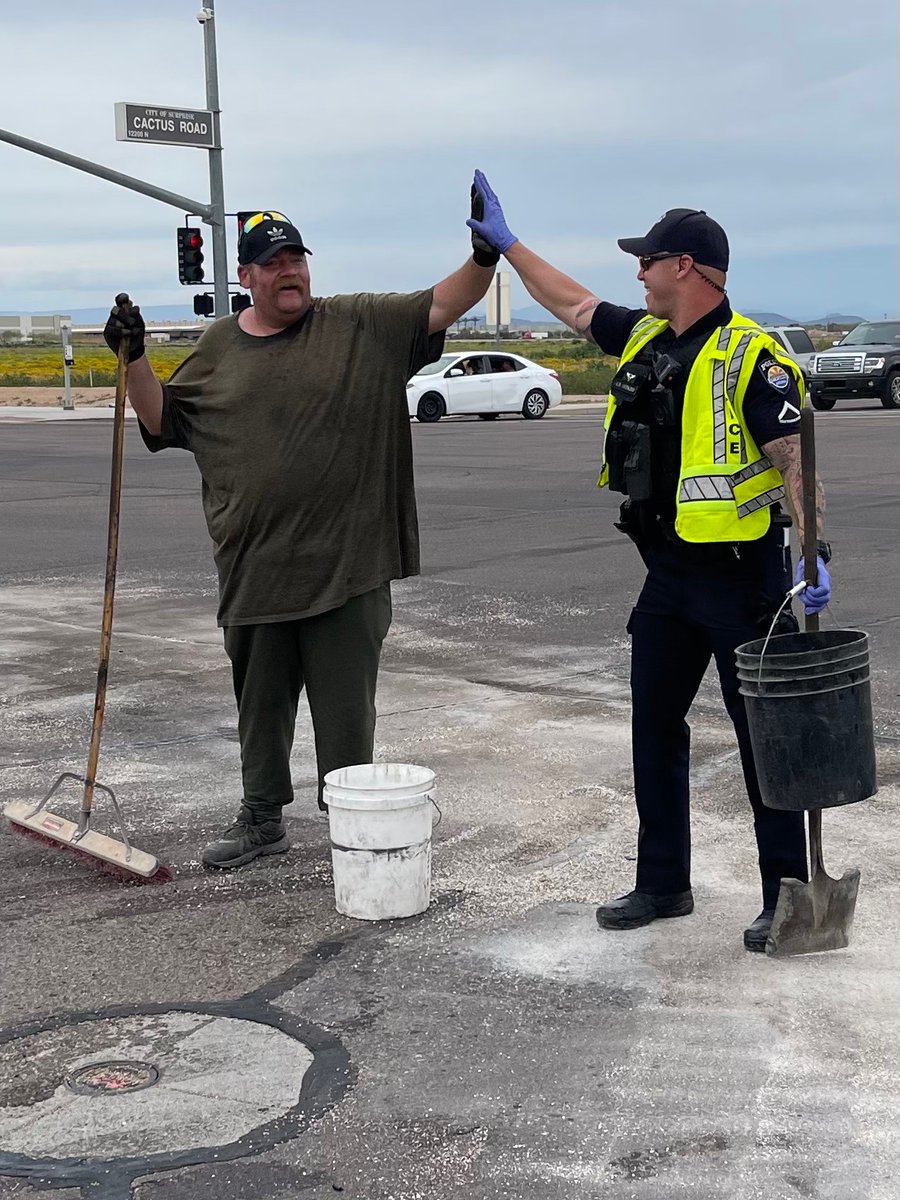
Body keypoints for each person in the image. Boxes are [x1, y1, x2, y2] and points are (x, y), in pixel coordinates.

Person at [467, 170, 833, 952]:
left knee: (765, 740)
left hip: (743, 579)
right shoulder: (643, 338)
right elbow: (571, 302)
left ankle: (786, 897)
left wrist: (812, 551)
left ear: (688, 269)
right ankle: (664, 883)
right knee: (653, 729)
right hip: (668, 577)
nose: (637, 271)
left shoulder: (750, 356)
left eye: (649, 259)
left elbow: (795, 457)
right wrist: (509, 243)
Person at [104, 198, 499, 870]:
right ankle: (261, 820)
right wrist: (133, 357)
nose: (290, 272)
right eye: (273, 263)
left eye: (296, 259)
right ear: (247, 277)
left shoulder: (359, 325)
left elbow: (442, 304)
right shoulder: (218, 347)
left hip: (348, 568)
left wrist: (485, 255)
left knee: (348, 717)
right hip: (253, 568)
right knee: (260, 711)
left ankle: (353, 825)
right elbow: (160, 420)